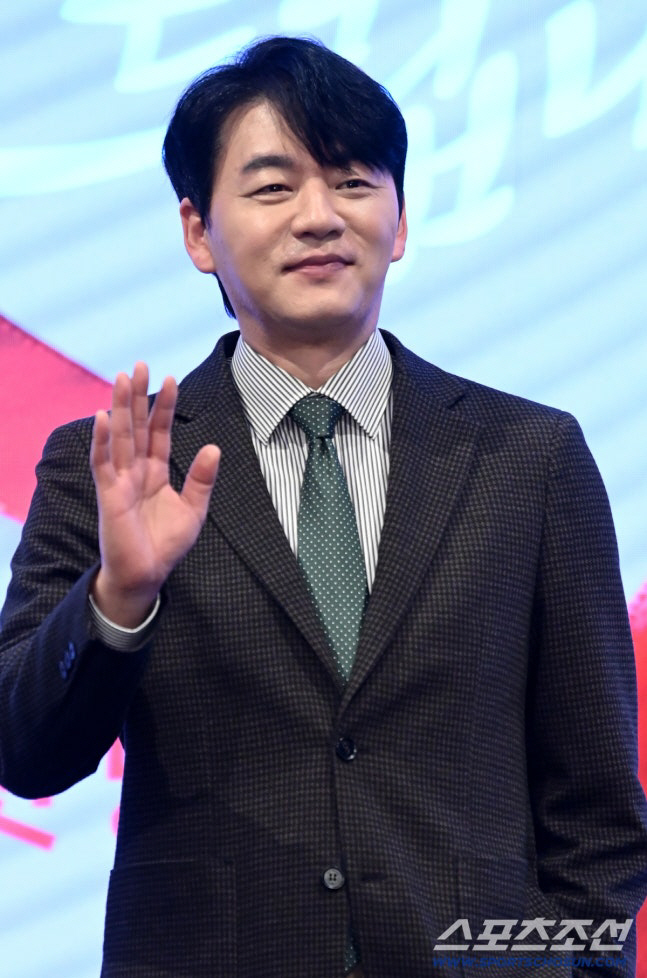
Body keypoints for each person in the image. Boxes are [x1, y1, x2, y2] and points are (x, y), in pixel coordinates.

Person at [0, 35, 646, 978]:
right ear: (197, 231)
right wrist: (119, 598)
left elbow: (596, 811)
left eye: (351, 182)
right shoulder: (111, 465)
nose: (318, 217)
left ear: (400, 219)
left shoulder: (528, 457)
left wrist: (572, 970)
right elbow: (25, 755)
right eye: (272, 188)